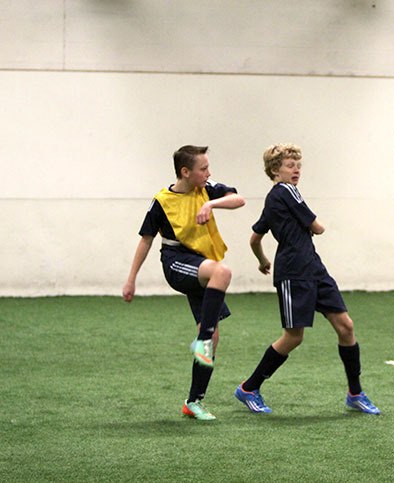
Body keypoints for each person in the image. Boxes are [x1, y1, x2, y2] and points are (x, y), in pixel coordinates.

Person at [234, 143, 380, 415]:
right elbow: (318, 227)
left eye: (298, 165)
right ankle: (249, 388)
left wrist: (262, 260)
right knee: (293, 337)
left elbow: (255, 237)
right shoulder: (286, 192)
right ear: (275, 170)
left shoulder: (274, 198)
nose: (296, 170)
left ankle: (355, 393)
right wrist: (312, 227)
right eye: (290, 165)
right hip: (293, 272)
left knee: (345, 326)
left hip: (313, 268)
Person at [122, 145, 245, 421]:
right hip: (176, 262)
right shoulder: (162, 201)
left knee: (212, 337)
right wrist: (131, 279)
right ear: (185, 172)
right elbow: (146, 240)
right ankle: (201, 341)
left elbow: (239, 199)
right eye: (203, 169)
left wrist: (211, 203)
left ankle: (194, 401)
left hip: (202, 264)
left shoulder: (207, 189)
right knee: (222, 273)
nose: (208, 173)